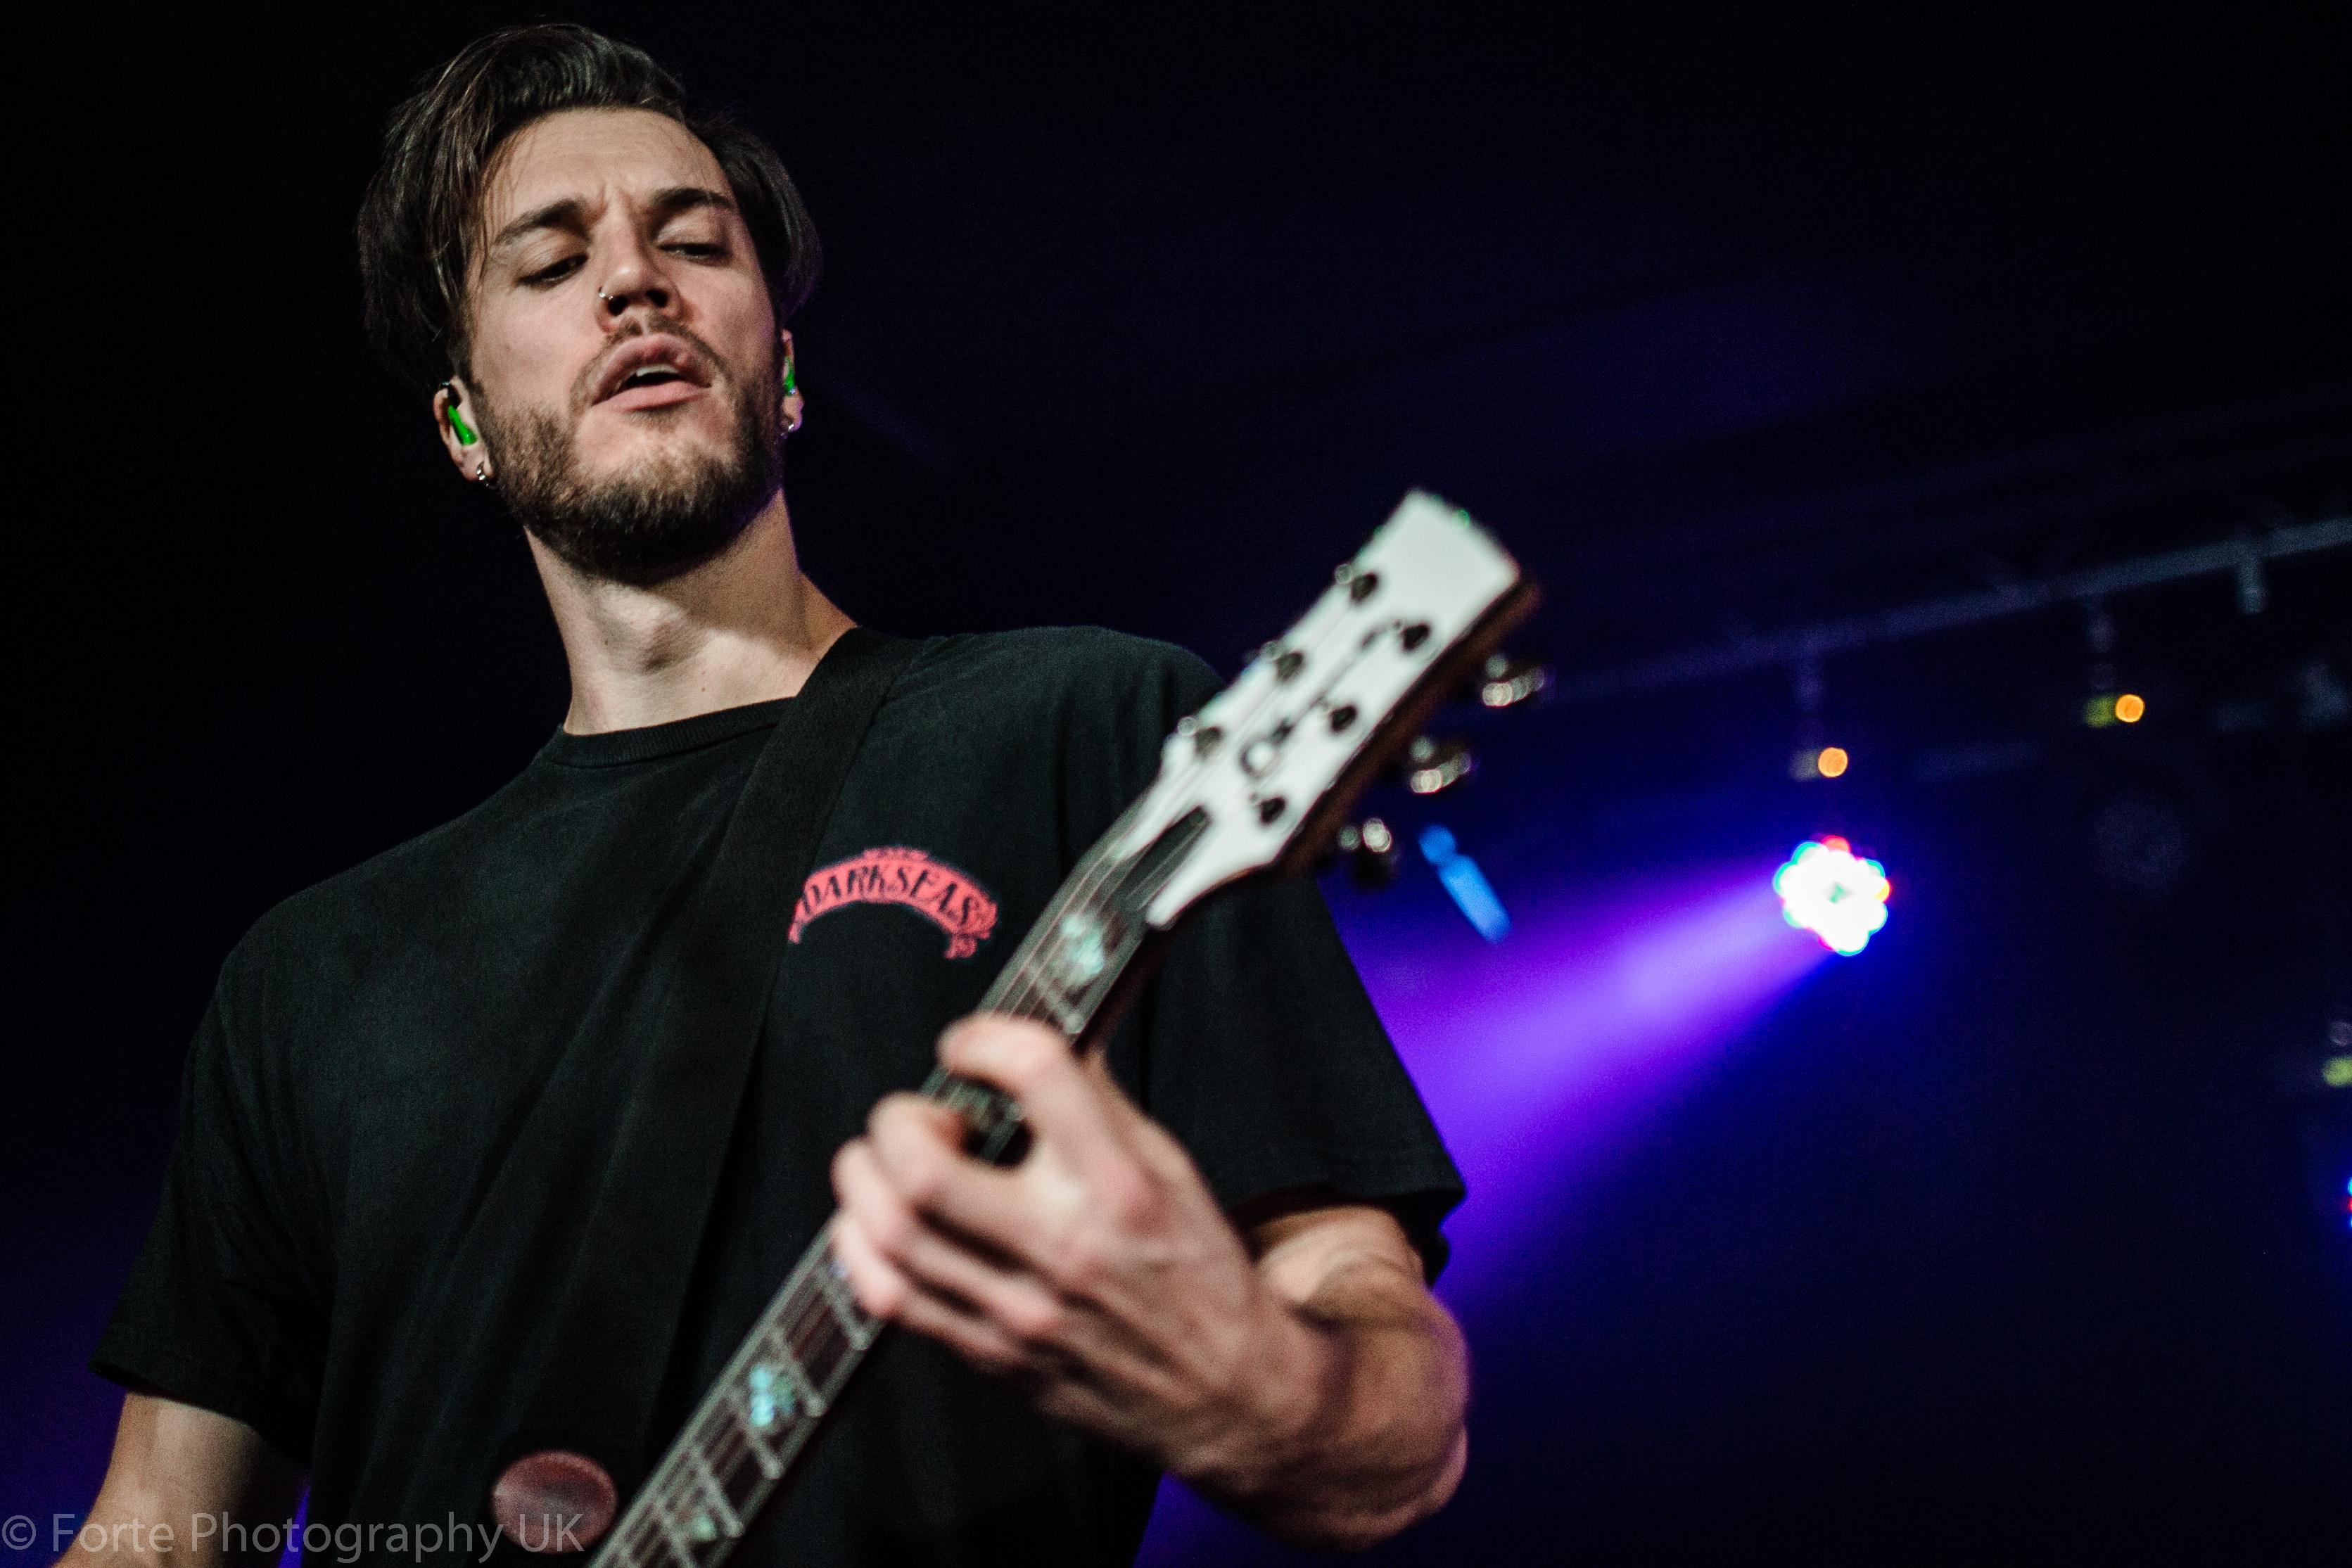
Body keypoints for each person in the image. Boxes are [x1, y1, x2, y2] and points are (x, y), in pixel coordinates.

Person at [64, 25, 1468, 1567]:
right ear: (463, 425)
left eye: (693, 242)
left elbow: (1376, 1368)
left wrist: (1264, 1393)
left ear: (784, 371)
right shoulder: (306, 976)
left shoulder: (1089, 728)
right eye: (552, 263)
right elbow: (157, 1532)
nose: (634, 282)